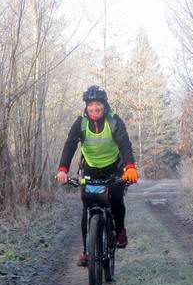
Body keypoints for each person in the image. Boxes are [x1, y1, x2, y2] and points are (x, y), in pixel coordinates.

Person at [56, 85, 139, 267]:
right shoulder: (81, 123)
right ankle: (87, 251)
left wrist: (130, 168)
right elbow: (70, 145)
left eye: (98, 105)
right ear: (86, 107)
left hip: (113, 168)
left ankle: (119, 231)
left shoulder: (114, 121)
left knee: (116, 197)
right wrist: (63, 169)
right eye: (91, 105)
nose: (94, 109)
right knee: (87, 204)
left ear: (104, 105)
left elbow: (125, 144)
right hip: (90, 169)